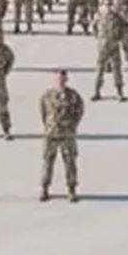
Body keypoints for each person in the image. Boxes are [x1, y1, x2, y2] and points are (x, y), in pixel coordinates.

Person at [39, 69, 85, 203]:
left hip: (67, 134)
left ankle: (71, 189)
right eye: (58, 79)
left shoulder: (73, 96)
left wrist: (72, 125)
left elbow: (79, 111)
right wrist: (48, 126)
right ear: (55, 80)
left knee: (70, 162)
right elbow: (43, 113)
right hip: (51, 134)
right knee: (48, 161)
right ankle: (45, 188)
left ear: (66, 80)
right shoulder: (47, 96)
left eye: (63, 79)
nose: (61, 81)